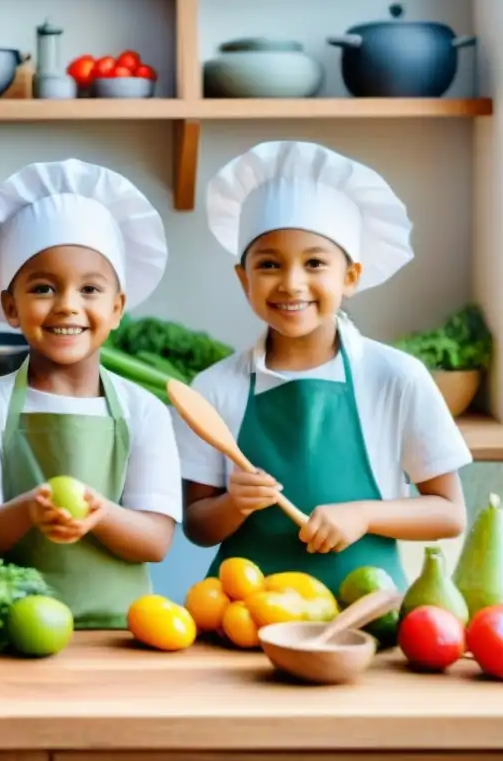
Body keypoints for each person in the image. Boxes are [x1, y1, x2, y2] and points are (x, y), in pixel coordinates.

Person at [175, 139, 471, 592]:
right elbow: (198, 527)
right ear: (244, 279)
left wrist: (365, 514)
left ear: (350, 276)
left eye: (315, 263)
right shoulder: (215, 388)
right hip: (243, 617)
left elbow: (449, 514)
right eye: (269, 264)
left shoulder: (397, 378)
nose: (292, 283)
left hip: (367, 616)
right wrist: (234, 504)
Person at [0, 158, 183, 629]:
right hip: (6, 631)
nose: (68, 305)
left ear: (116, 309)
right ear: (11, 307)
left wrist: (99, 514)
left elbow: (156, 541)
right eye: (44, 288)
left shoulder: (145, 411)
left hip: (121, 634)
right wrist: (30, 509)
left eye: (90, 289)